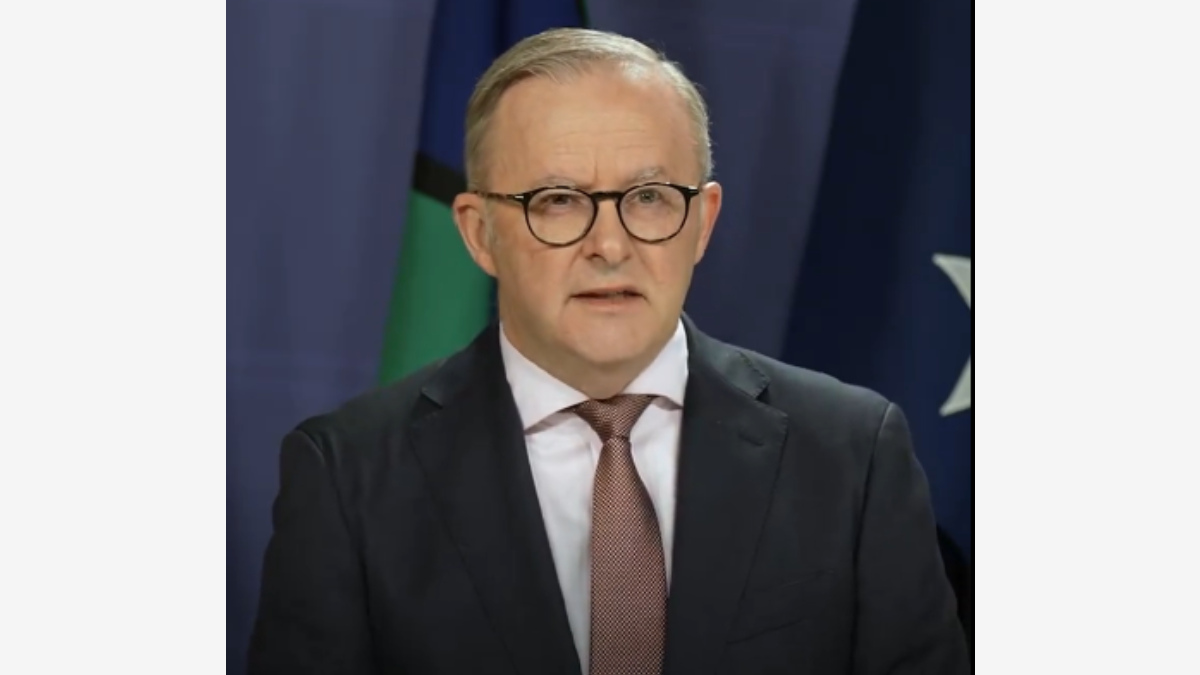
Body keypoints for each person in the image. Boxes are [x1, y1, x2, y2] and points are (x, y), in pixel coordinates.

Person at [247, 27, 970, 675]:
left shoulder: (851, 453)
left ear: (702, 221)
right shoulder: (348, 474)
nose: (610, 245)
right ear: (478, 232)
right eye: (558, 200)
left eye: (649, 197)